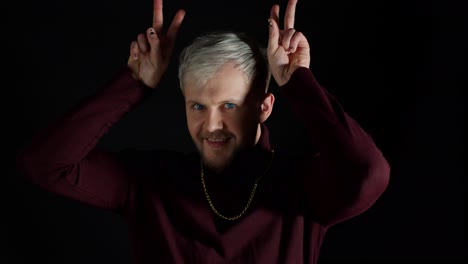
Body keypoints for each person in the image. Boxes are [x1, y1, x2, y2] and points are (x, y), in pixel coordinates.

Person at [16, 0, 390, 263]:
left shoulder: (304, 187)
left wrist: (299, 83)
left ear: (263, 107)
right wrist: (133, 84)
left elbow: (369, 173)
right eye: (197, 106)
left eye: (229, 106)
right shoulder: (150, 183)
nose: (211, 125)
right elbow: (45, 164)